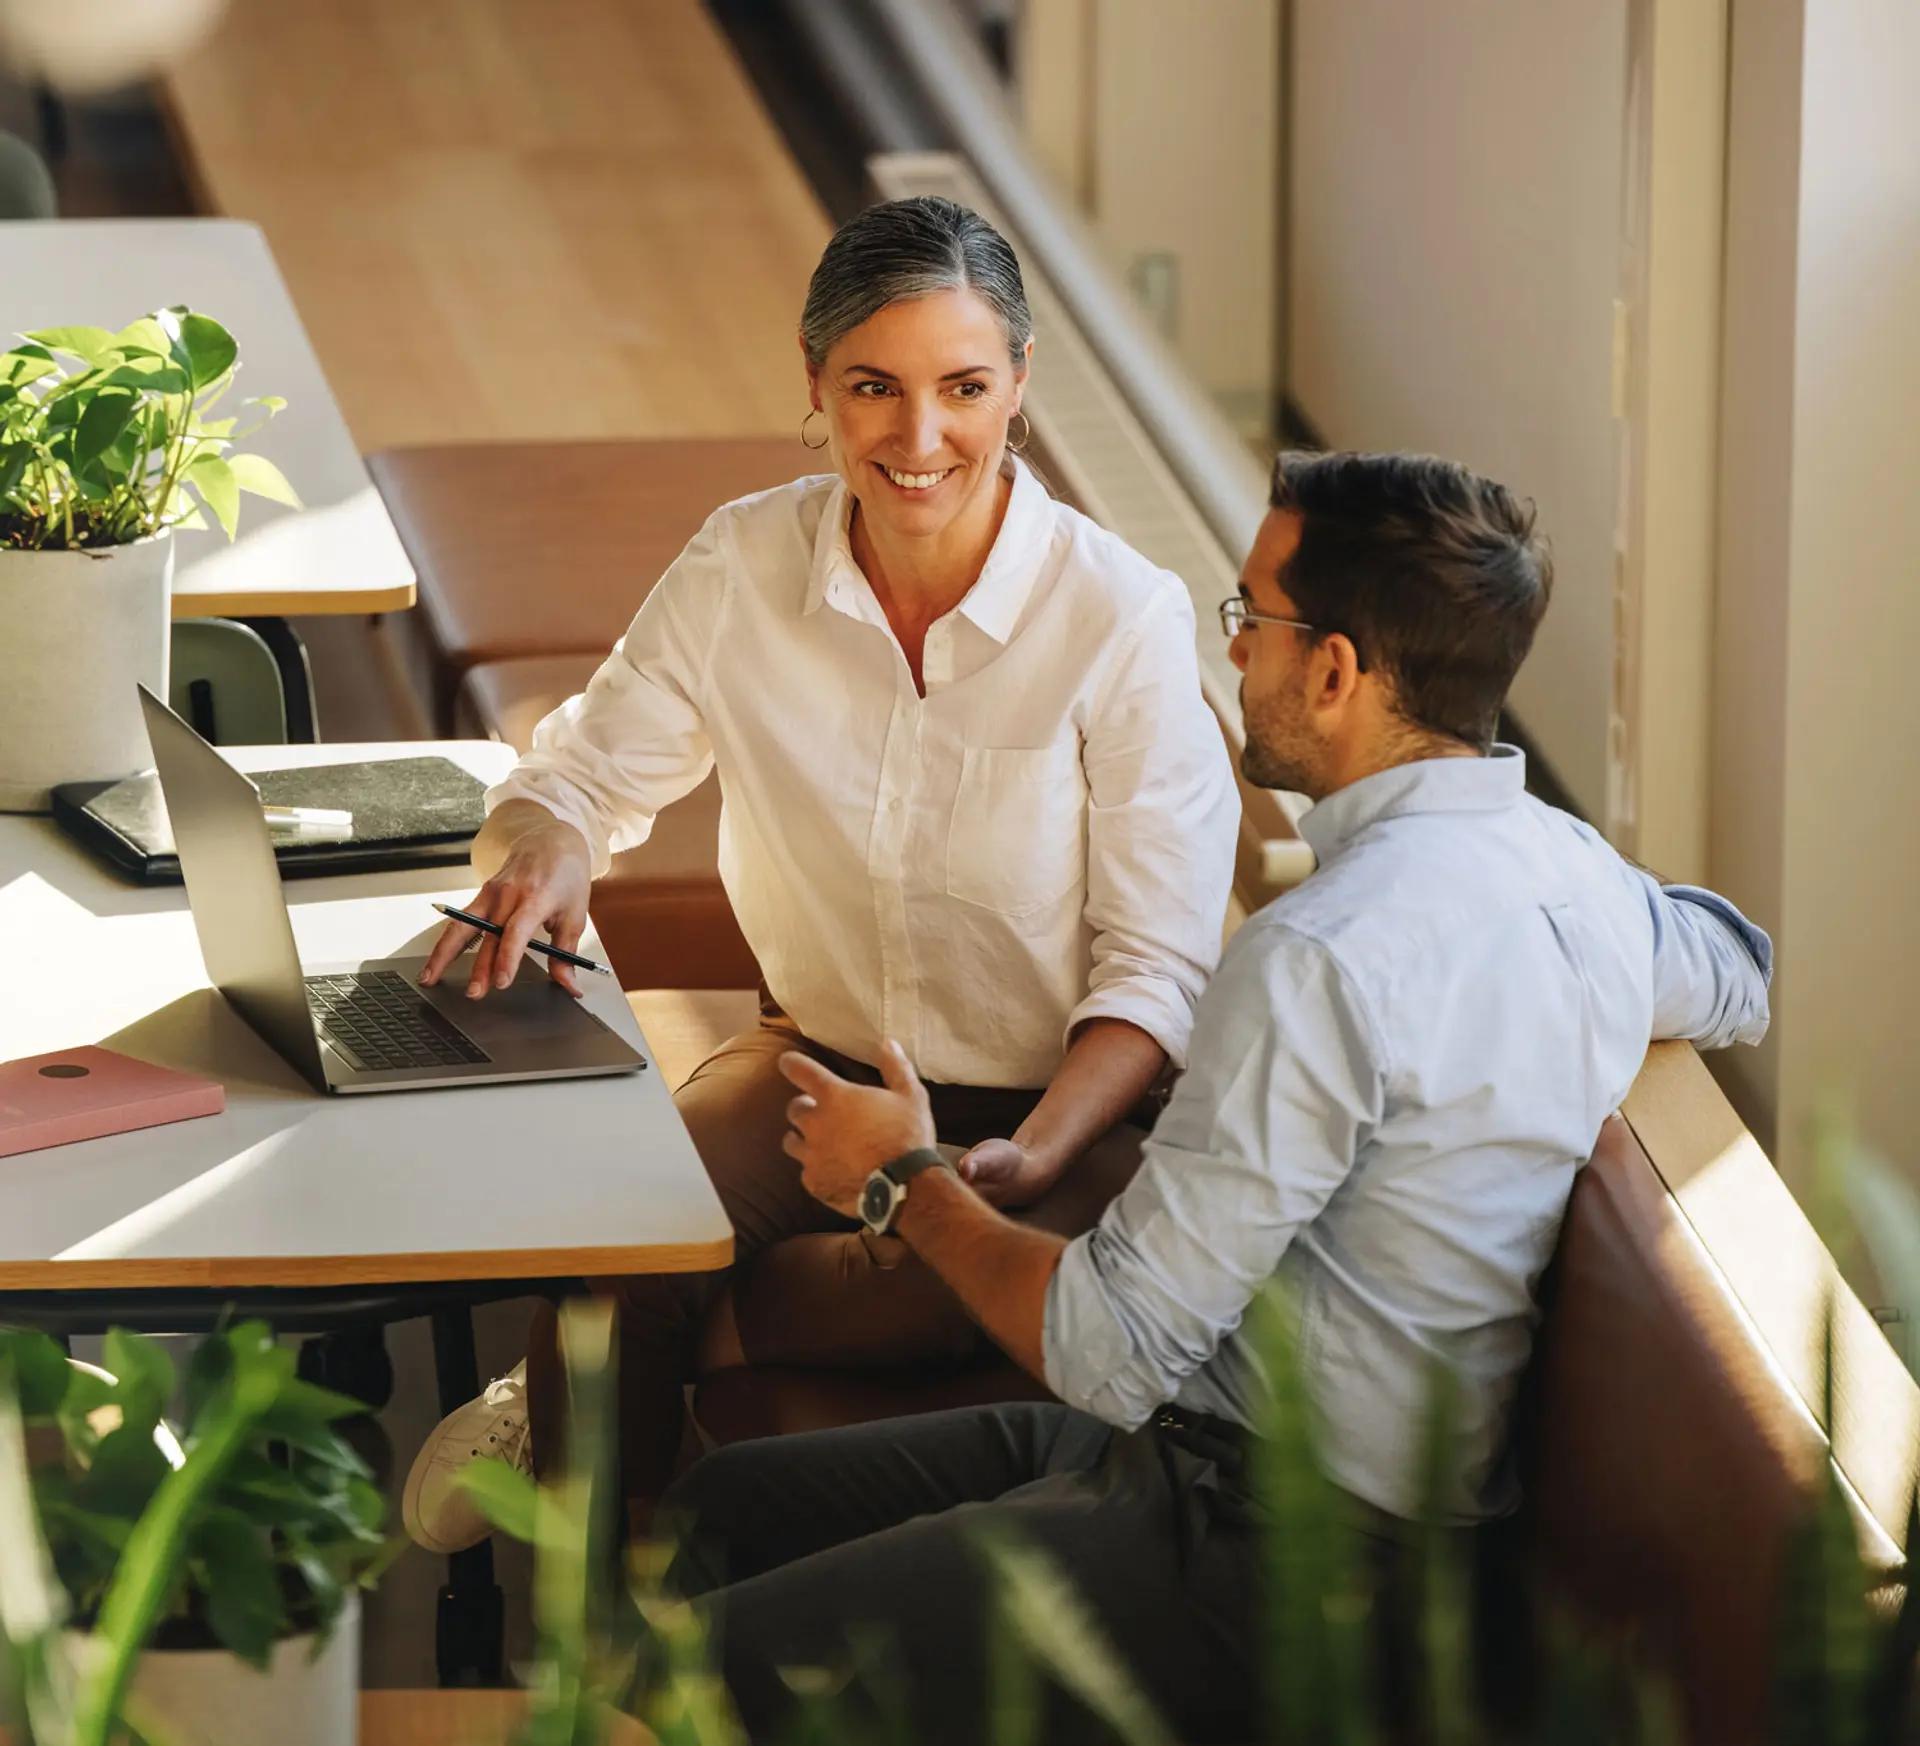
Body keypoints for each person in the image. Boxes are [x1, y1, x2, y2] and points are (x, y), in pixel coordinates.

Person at [656, 450, 1774, 1744]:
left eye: (1250, 620)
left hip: (1278, 1555)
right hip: (1228, 1464)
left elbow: (1101, 1345)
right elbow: (1738, 971)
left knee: (710, 1661)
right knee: (720, 1506)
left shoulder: (1317, 958)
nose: (1232, 653)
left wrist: (902, 1176)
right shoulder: (1575, 875)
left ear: (1338, 670)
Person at [400, 196, 1239, 1551]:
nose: (920, 439)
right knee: (616, 1227)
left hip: (1063, 1105)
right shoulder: (743, 562)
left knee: (978, 1270)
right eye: (874, 388)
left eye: (964, 387)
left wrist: (1013, 1158)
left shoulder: (1120, 617)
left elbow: (1157, 972)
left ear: (1019, 384)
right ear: (816, 384)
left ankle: (681, 1335)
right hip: (814, 1067)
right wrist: (551, 845)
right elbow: (583, 773)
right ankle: (595, 1659)